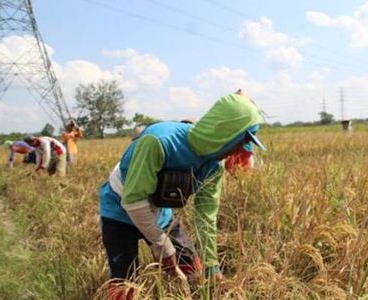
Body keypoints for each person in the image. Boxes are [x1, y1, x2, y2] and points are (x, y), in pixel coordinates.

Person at [99, 90, 265, 295]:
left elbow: (206, 218)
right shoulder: (158, 141)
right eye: (239, 142)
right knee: (124, 285)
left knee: (193, 268)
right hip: (120, 211)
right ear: (226, 133)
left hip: (159, 212)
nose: (237, 150)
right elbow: (132, 201)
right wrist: (161, 243)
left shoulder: (214, 167)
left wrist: (212, 267)